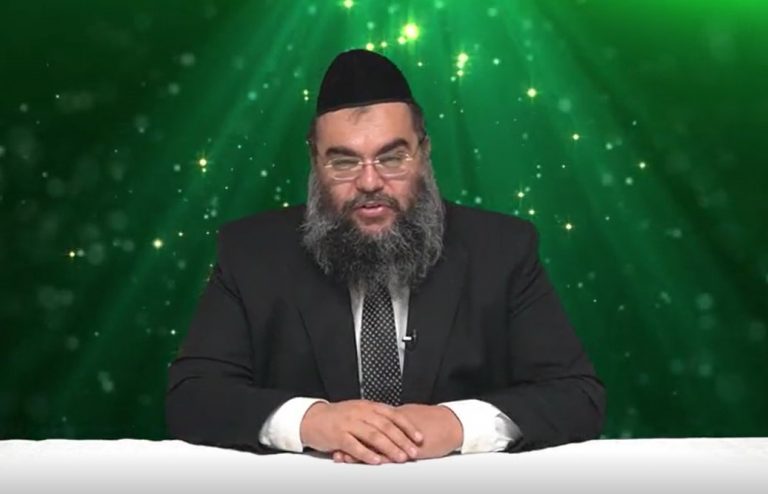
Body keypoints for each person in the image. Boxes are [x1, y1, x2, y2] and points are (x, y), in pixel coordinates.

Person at [166, 49, 605, 464]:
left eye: (392, 158)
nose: (370, 182)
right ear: (315, 161)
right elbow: (192, 396)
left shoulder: (503, 248)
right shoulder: (251, 252)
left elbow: (577, 396)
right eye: (344, 162)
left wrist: (454, 425)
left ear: (424, 153)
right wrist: (311, 421)